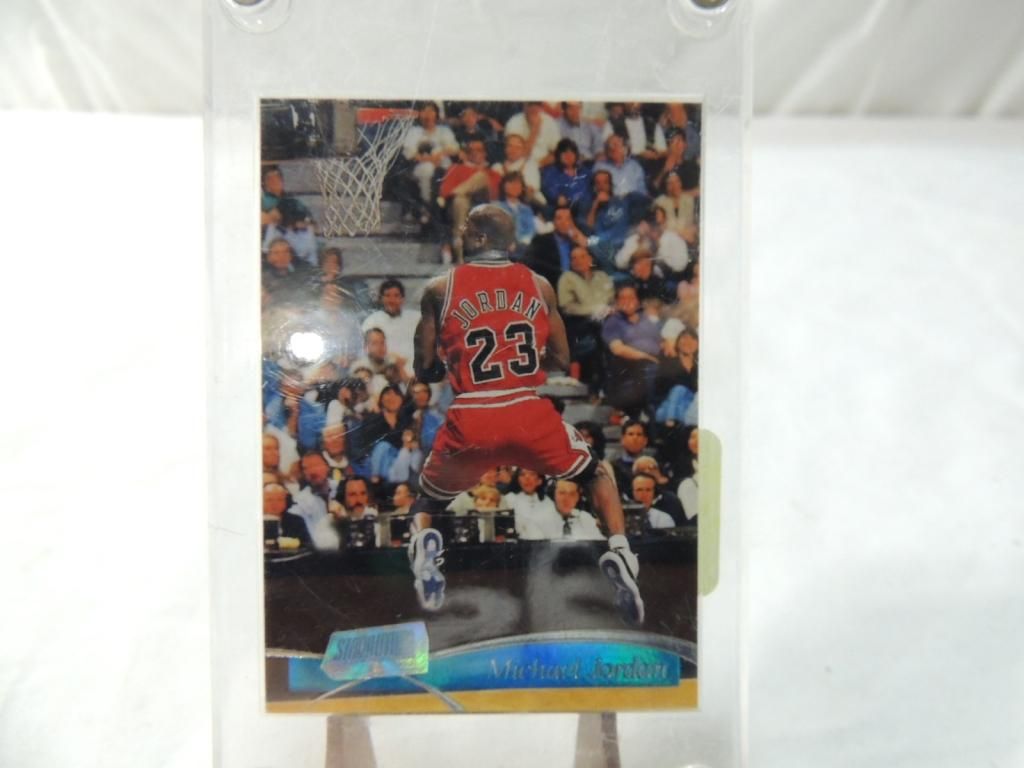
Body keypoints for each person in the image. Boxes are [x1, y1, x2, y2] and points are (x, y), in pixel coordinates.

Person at [409, 204, 643, 623]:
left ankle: (426, 550)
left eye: (466, 227)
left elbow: (424, 369)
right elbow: (561, 359)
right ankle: (621, 551)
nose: (460, 232)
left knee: (427, 499)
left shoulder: (439, 288)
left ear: (480, 237)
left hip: (473, 412)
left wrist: (451, 360)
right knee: (596, 474)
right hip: (524, 408)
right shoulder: (539, 285)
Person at [601, 283, 662, 419]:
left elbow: (660, 339)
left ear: (638, 301)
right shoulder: (613, 321)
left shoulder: (646, 319)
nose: (627, 301)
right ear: (617, 302)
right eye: (623, 298)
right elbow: (618, 349)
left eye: (631, 298)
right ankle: (650, 414)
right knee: (649, 370)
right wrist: (646, 357)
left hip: (656, 362)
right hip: (631, 368)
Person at [360, 278, 421, 366]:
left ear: (402, 299)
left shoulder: (416, 318)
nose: (392, 300)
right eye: (387, 295)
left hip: (414, 366)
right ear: (381, 299)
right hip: (383, 366)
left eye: (396, 296)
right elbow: (368, 351)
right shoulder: (371, 321)